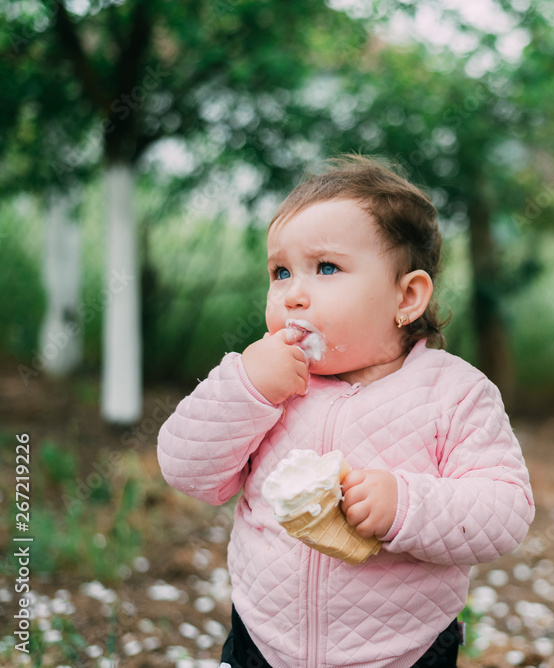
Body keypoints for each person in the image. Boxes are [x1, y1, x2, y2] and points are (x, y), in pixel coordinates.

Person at [157, 155, 534, 668]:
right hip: (264, 642)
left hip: (404, 650)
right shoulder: (266, 382)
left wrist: (404, 504)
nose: (293, 294)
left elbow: (505, 510)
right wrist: (247, 387)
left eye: (326, 268)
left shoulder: (454, 393)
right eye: (280, 272)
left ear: (407, 296)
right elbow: (187, 470)